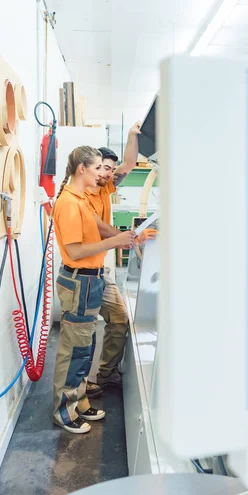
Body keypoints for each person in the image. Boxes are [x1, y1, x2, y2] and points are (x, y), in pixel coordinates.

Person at [52, 146, 134, 434]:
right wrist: (115, 241)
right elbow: (74, 251)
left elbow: (97, 227)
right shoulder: (69, 203)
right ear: (81, 169)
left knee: (85, 348)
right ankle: (64, 411)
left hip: (92, 278)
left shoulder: (83, 199)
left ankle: (80, 400)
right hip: (79, 280)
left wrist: (120, 237)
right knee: (74, 349)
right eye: (98, 168)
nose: (104, 173)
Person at [84, 122, 155, 389]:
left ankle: (106, 374)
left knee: (118, 319)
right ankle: (80, 387)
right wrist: (127, 237)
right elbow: (99, 228)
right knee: (83, 334)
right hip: (83, 273)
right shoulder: (83, 194)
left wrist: (131, 136)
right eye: (103, 168)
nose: (109, 174)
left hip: (100, 271)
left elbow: (128, 164)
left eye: (110, 170)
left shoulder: (105, 187)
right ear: (91, 168)